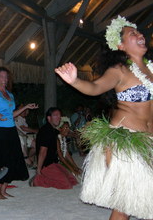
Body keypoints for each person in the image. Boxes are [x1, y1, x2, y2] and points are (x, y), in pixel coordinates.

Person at [55, 15, 153, 220]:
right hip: (125, 142)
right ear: (121, 45)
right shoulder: (119, 71)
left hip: (148, 142)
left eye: (139, 31)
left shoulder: (151, 69)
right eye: (132, 33)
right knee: (124, 204)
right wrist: (75, 81)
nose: (139, 34)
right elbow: (95, 87)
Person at [0, 66, 38, 199]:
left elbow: (12, 114)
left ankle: (3, 189)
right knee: (1, 160)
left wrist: (25, 107)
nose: (4, 79)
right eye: (1, 76)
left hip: (11, 129)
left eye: (6, 77)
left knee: (12, 160)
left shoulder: (10, 95)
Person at [33, 107, 78, 189]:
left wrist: (75, 135)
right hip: (47, 166)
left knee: (73, 181)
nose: (58, 117)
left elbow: (64, 134)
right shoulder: (46, 131)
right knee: (66, 185)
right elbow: (42, 152)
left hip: (54, 163)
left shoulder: (53, 130)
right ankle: (38, 180)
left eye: (59, 116)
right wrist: (38, 169)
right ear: (49, 118)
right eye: (55, 115)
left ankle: (46, 176)